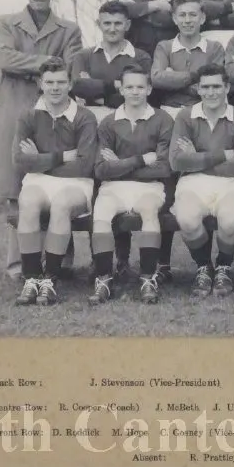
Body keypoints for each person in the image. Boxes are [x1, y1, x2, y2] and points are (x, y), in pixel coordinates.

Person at [0, 0, 82, 279]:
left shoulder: (69, 28)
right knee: (17, 189)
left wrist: (36, 67)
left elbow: (72, 68)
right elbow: (5, 59)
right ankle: (17, 266)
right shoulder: (6, 23)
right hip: (13, 111)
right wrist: (49, 64)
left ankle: (60, 263)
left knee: (59, 181)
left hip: (56, 112)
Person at [12, 60, 97, 306]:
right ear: (40, 84)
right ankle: (31, 278)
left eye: (61, 82)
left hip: (76, 183)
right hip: (38, 181)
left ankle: (49, 279)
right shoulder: (28, 116)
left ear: (70, 84)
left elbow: (84, 164)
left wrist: (38, 158)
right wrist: (60, 157)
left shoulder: (84, 117)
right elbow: (19, 161)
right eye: (49, 82)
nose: (55, 88)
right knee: (27, 200)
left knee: (61, 204)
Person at [90, 66, 174, 305]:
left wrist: (121, 164)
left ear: (149, 89)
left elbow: (164, 167)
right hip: (112, 187)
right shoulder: (108, 122)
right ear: (121, 88)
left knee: (149, 210)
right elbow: (101, 169)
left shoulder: (163, 119)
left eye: (140, 87)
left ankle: (148, 278)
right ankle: (103, 279)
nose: (135, 92)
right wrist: (139, 160)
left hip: (150, 187)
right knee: (102, 214)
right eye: (129, 87)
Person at [169, 65, 234, 298]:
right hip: (192, 183)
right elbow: (176, 162)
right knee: (187, 220)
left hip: (231, 182)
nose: (211, 92)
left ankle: (223, 267)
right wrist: (224, 154)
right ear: (197, 89)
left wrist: (196, 157)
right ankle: (204, 267)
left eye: (216, 86)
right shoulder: (186, 116)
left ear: (227, 88)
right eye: (205, 87)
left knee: (230, 221)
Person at [70, 0, 152, 122]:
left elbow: (140, 97)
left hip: (128, 120)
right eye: (107, 23)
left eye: (118, 23)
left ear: (127, 25)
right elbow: (78, 89)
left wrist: (99, 96)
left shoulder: (141, 57)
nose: (112, 29)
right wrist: (118, 85)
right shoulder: (83, 56)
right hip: (90, 120)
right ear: (99, 24)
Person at [151, 0, 226, 118]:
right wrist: (195, 77)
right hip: (169, 112)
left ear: (202, 18)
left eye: (192, 15)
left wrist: (172, 80)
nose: (187, 20)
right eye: (182, 15)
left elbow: (213, 87)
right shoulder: (164, 47)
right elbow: (156, 79)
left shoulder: (214, 48)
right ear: (174, 19)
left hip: (204, 113)